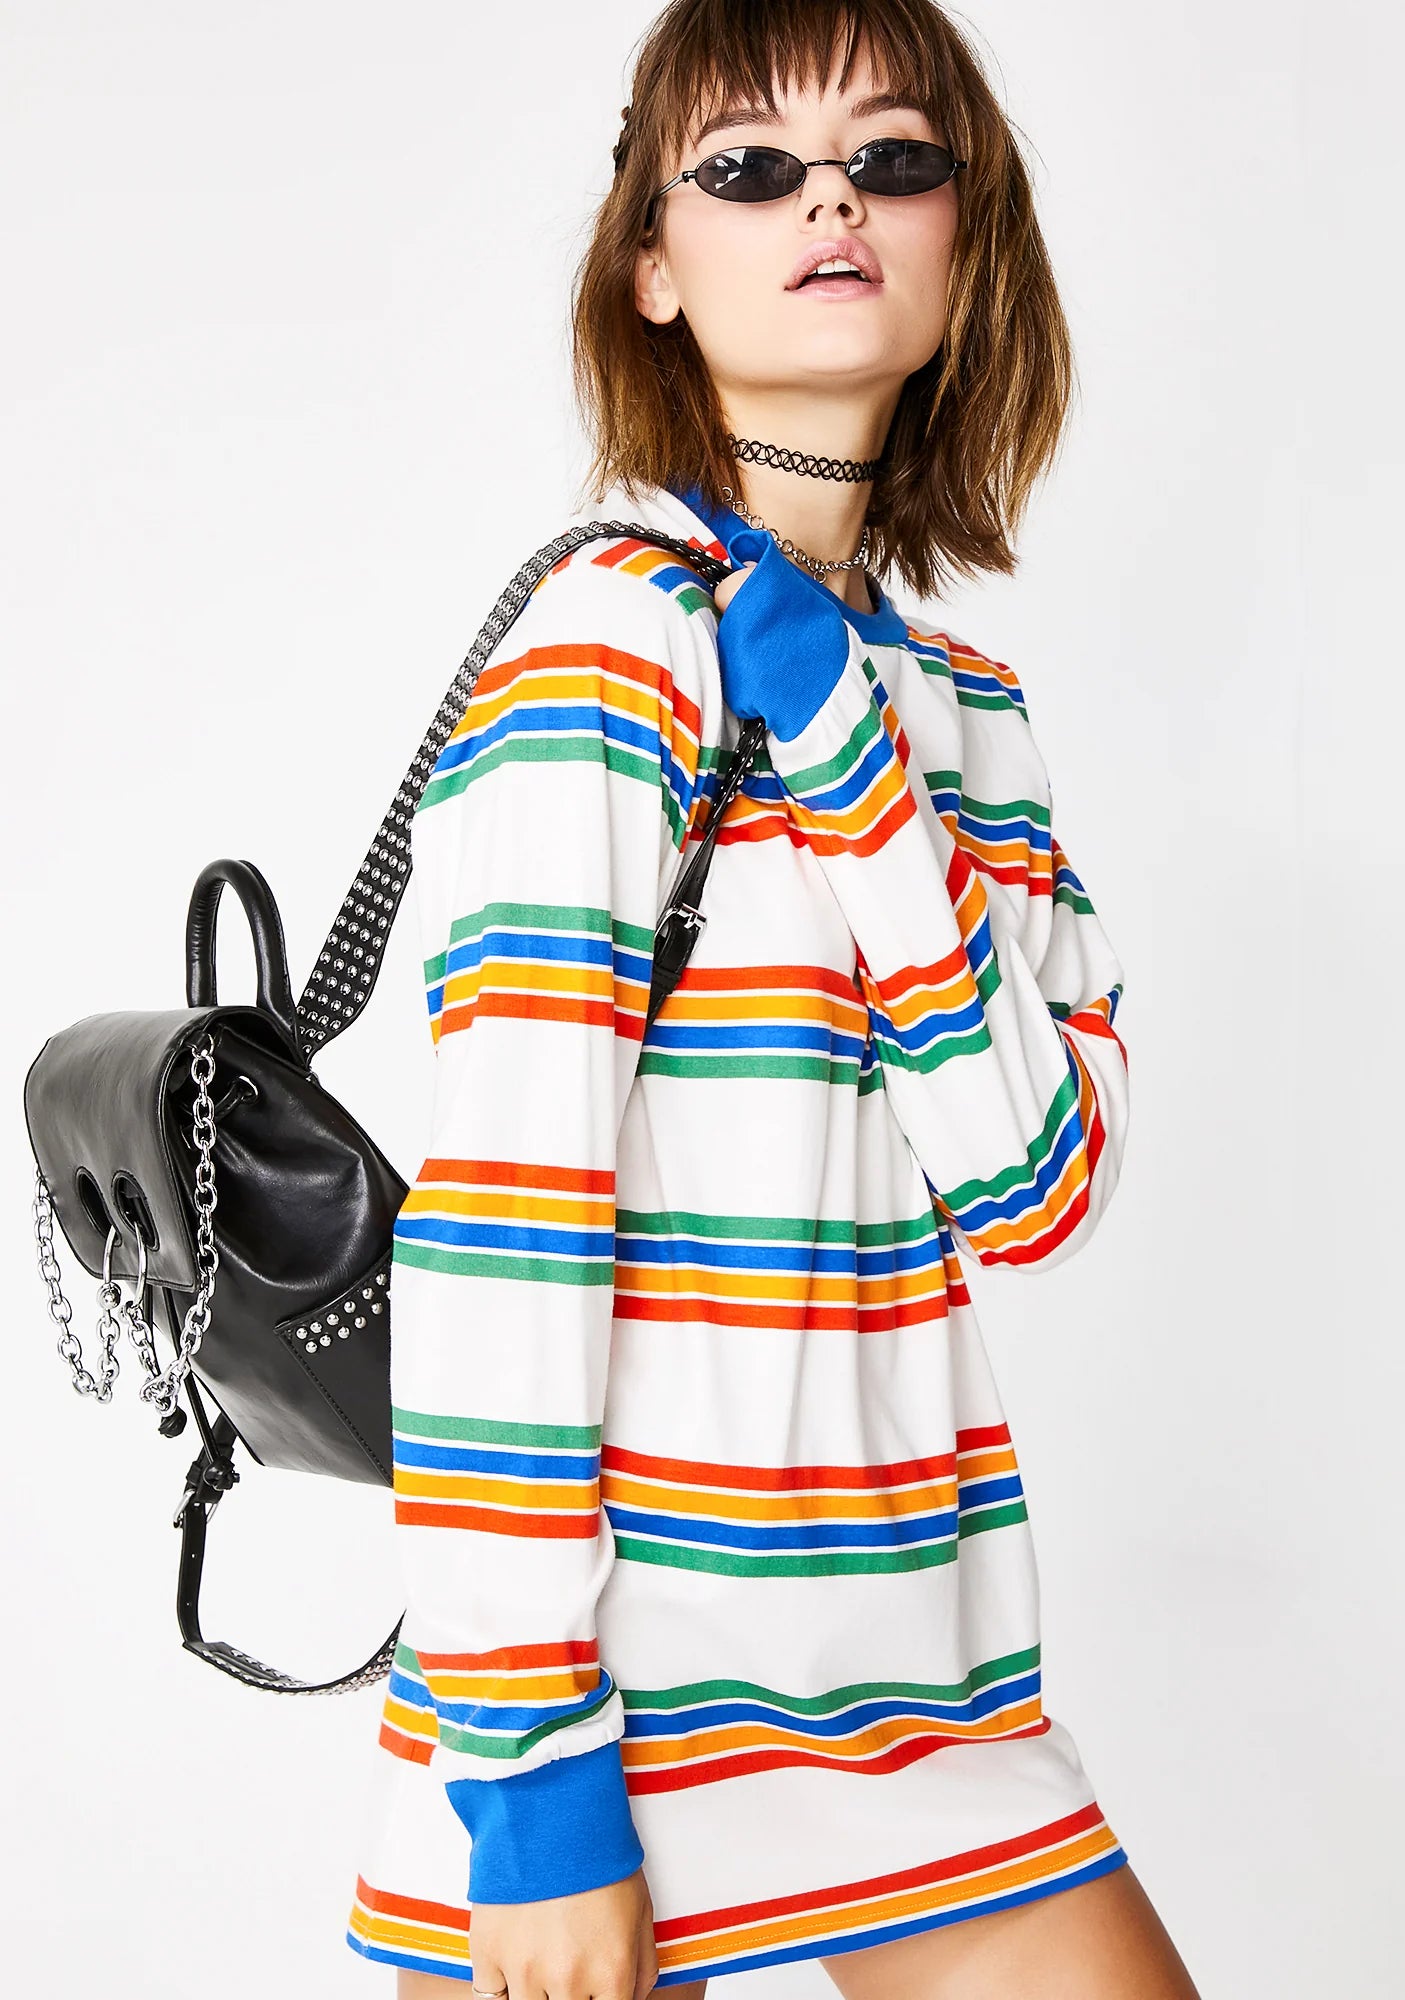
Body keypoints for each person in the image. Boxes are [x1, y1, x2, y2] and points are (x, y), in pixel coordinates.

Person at [345, 3, 1201, 1996]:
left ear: (965, 237)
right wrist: (533, 1792)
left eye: (892, 159)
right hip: (609, 1708)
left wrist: (847, 760)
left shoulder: (966, 711)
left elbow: (1037, 1195)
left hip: (927, 1680)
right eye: (749, 166)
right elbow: (500, 1230)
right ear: (653, 262)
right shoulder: (606, 645)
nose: (833, 201)